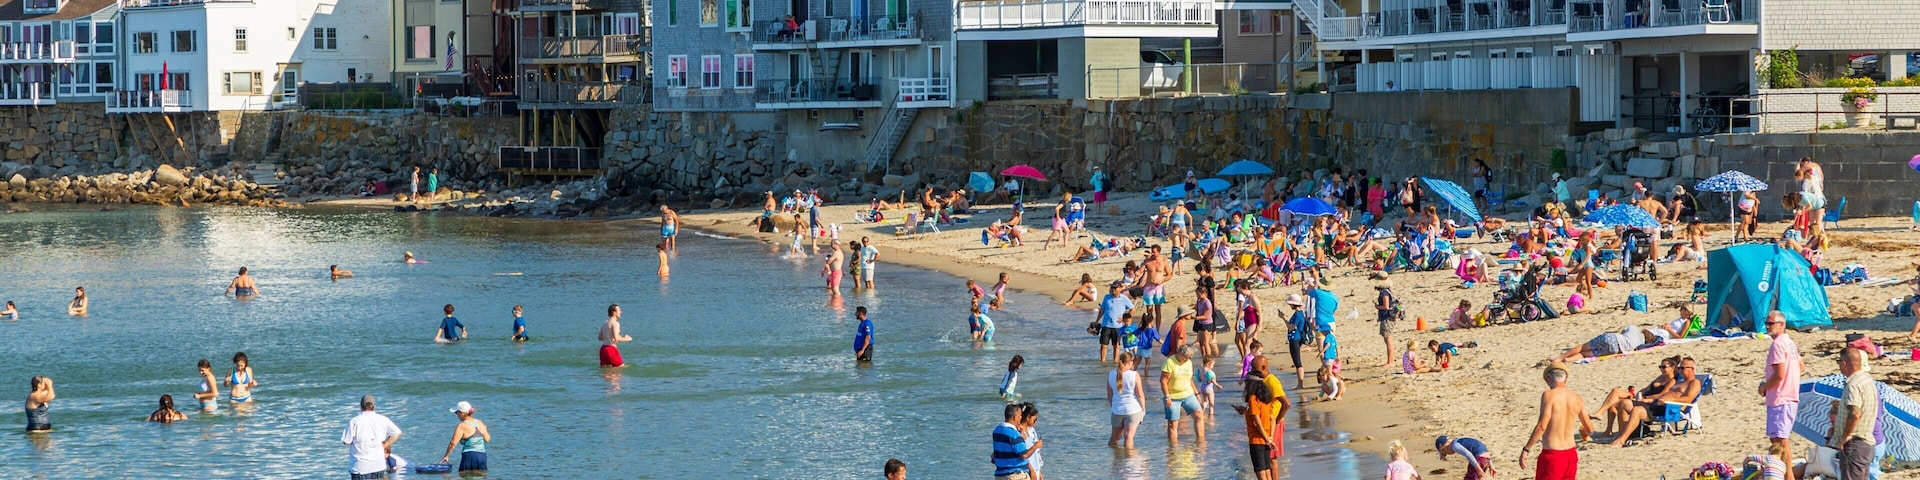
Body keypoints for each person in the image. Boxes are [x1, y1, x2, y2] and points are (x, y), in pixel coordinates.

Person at [1606, 357, 1704, 447]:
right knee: (1623, 403)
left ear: (1692, 369)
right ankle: (1622, 434)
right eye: (1679, 368)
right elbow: (1663, 393)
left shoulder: (1694, 382)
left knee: (1637, 410)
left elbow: (1688, 399)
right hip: (1656, 404)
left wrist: (1671, 400)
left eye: (1683, 368)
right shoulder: (1679, 382)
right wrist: (1649, 399)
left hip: (1668, 408)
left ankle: (1621, 440)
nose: (1680, 370)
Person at [1520, 365, 1595, 480]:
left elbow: (1541, 426)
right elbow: (1589, 429)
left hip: (1553, 455)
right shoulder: (1577, 398)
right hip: (1571, 454)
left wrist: (1526, 449)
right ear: (1565, 379)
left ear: (1549, 378)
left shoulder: (1549, 395)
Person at [1760, 312, 1803, 480]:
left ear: (1781, 324)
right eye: (1767, 323)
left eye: (1771, 323)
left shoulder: (1779, 344)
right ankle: (1787, 475)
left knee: (1780, 441)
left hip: (1781, 397)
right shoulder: (1789, 342)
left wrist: (1765, 387)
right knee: (1779, 439)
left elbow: (1779, 374)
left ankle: (1789, 476)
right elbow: (1800, 366)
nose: (1768, 326)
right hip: (1788, 395)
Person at [1834, 346, 1876, 480]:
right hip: (1865, 443)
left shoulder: (1853, 384)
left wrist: (1846, 436)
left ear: (1844, 363)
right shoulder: (1867, 380)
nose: (1839, 365)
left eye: (1839, 361)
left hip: (1855, 444)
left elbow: (1855, 413)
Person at [342, 394, 402, 480]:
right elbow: (397, 433)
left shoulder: (354, 421)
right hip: (378, 465)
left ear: (361, 406)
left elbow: (346, 441)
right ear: (374, 406)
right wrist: (384, 445)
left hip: (360, 466)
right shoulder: (382, 419)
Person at [1234, 377, 1283, 480]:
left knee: (1260, 472)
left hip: (1257, 440)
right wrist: (1270, 438)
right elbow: (1272, 419)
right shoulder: (1266, 399)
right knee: (1266, 471)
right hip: (1267, 439)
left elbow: (1257, 422)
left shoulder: (1253, 399)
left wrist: (1267, 439)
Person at [1160, 345, 1205, 445]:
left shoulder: (1188, 362)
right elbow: (1163, 381)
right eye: (1186, 357)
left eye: (1190, 358)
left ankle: (1201, 443)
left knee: (1199, 414)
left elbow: (1189, 379)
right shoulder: (1169, 362)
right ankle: (1173, 450)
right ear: (1179, 353)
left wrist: (1196, 393)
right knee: (1173, 423)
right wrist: (1167, 396)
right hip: (1173, 397)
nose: (1188, 359)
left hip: (1188, 394)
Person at [991, 403, 1041, 480]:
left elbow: (997, 454)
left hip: (1000, 474)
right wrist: (1035, 446)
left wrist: (1021, 439)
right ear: (1015, 416)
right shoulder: (1014, 434)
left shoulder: (997, 430)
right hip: (1015, 475)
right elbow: (1024, 455)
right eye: (1020, 415)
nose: (1021, 417)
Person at [439, 401, 490, 472]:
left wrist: (446, 456)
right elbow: (487, 439)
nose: (456, 415)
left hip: (469, 456)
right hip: (482, 456)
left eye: (456, 412)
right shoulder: (480, 422)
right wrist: (485, 429)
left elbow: (453, 443)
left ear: (461, 413)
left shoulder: (462, 426)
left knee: (465, 476)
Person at [1096, 282, 1133, 363]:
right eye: (1112, 288)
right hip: (1106, 325)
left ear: (1120, 288)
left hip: (1118, 326)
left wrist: (1124, 318)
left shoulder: (1124, 298)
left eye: (1115, 288)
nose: (1113, 290)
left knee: (1116, 345)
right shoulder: (1107, 297)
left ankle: (1115, 362)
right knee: (1103, 345)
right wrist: (1097, 321)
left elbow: (1132, 309)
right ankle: (1102, 362)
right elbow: (1102, 309)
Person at [1141, 246, 1172, 331]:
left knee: (1158, 309)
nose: (1152, 254)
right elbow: (1140, 271)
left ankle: (1157, 330)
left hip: (1158, 287)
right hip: (1149, 287)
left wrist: (1163, 280)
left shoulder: (1163, 262)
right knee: (1149, 309)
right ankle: (1149, 327)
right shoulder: (1148, 261)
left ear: (1159, 252)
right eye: (1152, 252)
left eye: (1154, 252)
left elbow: (1169, 274)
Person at [1375, 277, 1402, 368]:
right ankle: (1390, 361)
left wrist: (1377, 307)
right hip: (1386, 317)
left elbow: (1386, 306)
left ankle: (1390, 362)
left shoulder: (1385, 293)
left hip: (1387, 318)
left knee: (1388, 340)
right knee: (1387, 339)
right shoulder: (1387, 291)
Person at [1284, 294, 1311, 384]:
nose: (1289, 306)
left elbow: (1291, 327)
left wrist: (1283, 318)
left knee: (1297, 362)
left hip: (1295, 339)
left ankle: (1300, 384)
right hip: (1295, 339)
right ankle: (1300, 383)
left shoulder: (1298, 315)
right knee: (1297, 361)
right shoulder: (1299, 313)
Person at [1018, 402, 1046, 480]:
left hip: (1036, 467)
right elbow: (1022, 454)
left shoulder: (1032, 430)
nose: (1036, 422)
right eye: (1034, 419)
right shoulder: (1019, 433)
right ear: (1028, 417)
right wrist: (1032, 470)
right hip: (1026, 470)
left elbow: (1037, 453)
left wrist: (1039, 471)